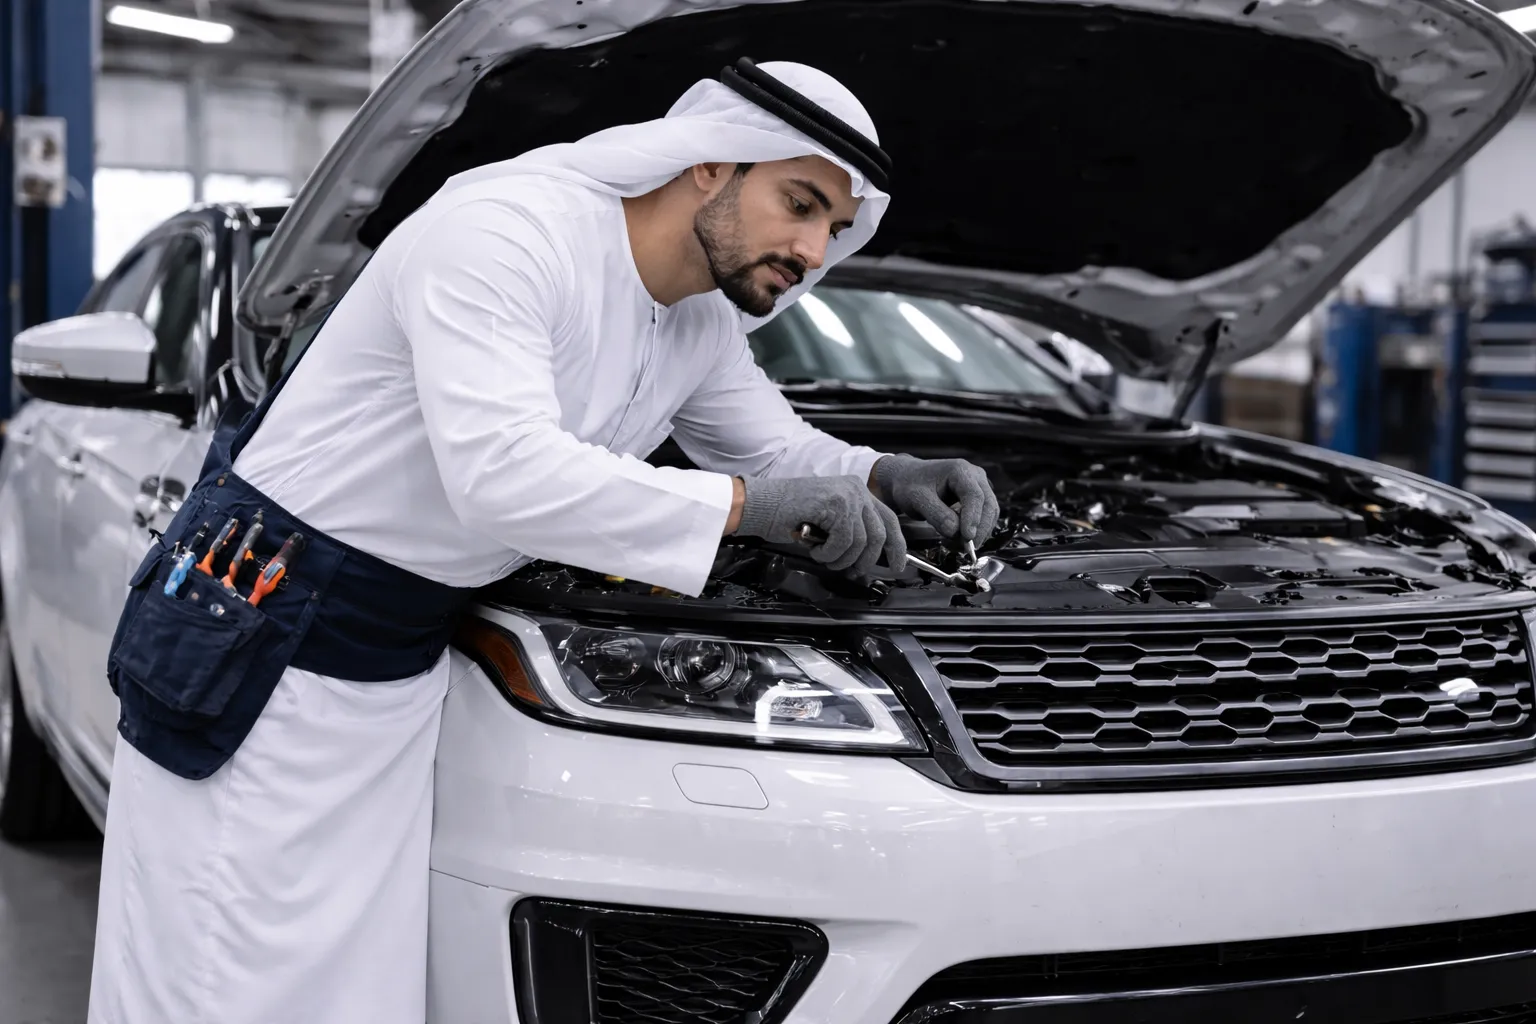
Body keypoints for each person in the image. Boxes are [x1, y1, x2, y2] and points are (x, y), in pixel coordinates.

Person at [86, 59, 999, 1023]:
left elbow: (774, 445)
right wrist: (742, 509)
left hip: (394, 668)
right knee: (223, 974)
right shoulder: (509, 229)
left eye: (834, 229)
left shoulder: (698, 315)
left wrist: (881, 474)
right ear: (709, 163)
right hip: (268, 644)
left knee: (348, 983)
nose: (813, 249)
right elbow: (503, 471)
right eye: (800, 204)